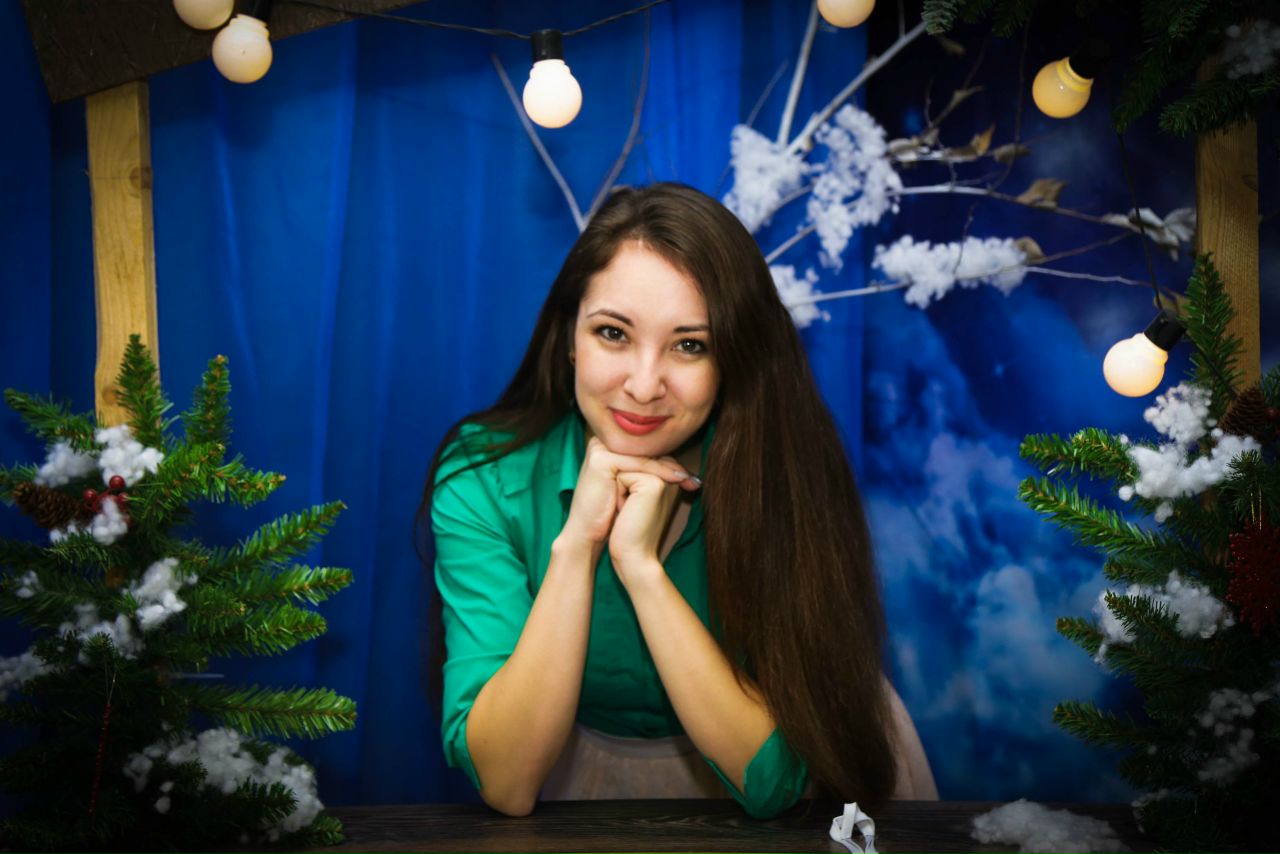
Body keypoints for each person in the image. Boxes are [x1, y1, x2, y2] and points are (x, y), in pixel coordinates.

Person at [418, 182, 937, 819]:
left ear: (732, 359)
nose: (643, 386)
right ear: (569, 336)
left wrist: (640, 568)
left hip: (810, 790)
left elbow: (775, 784)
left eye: (690, 345)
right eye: (613, 333)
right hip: (579, 783)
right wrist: (577, 545)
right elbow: (506, 781)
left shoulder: (780, 466)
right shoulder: (484, 475)